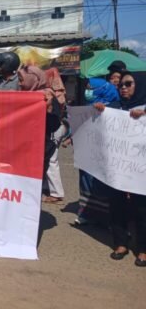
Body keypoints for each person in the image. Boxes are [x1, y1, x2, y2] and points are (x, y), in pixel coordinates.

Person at [95, 71, 146, 267]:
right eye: (121, 85)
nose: (123, 87)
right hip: (119, 167)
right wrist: (100, 112)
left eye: (128, 84)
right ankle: (121, 243)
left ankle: (143, 248)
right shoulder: (115, 107)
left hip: (140, 170)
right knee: (116, 204)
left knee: (141, 208)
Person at [74, 78, 120, 226]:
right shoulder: (89, 106)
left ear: (101, 90)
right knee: (86, 181)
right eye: (87, 88)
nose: (88, 92)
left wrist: (105, 110)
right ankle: (87, 213)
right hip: (88, 151)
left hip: (106, 153)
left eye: (91, 89)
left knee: (101, 183)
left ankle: (105, 218)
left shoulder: (117, 106)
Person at [18, 65, 65, 204]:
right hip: (43, 133)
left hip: (51, 132)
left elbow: (53, 120)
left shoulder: (46, 95)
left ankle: (56, 193)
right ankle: (46, 189)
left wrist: (46, 109)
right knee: (44, 161)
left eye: (22, 80)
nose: (20, 83)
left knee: (51, 161)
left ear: (33, 79)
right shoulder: (31, 94)